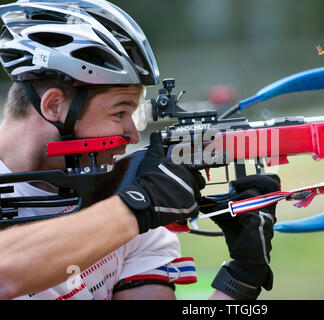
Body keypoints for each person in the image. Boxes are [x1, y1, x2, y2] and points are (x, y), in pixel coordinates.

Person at [0, 0, 280, 300]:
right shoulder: (127, 210)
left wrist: (243, 278)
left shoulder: (117, 200)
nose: (133, 136)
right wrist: (135, 208)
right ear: (55, 106)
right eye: (119, 113)